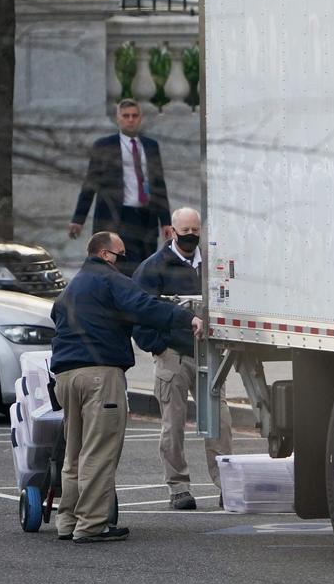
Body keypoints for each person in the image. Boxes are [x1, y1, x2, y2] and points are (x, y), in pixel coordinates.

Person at [50, 231, 203, 543]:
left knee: (74, 452)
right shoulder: (109, 279)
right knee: (99, 452)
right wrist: (184, 318)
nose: (121, 262)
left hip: (66, 377)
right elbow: (143, 305)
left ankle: (66, 521)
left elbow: (56, 314)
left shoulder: (74, 285)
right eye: (119, 255)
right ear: (106, 254)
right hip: (100, 376)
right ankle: (92, 525)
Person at [133, 206, 232, 510]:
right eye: (185, 231)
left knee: (221, 424)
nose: (190, 237)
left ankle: (227, 486)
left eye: (195, 231)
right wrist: (158, 347)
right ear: (172, 231)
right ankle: (178, 488)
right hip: (173, 356)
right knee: (173, 426)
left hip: (209, 356)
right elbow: (137, 312)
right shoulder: (153, 268)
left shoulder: (212, 264)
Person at [68, 99, 173, 276]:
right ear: (118, 119)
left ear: (140, 118)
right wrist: (78, 219)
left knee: (145, 267)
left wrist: (166, 221)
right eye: (126, 116)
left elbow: (159, 185)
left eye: (134, 116)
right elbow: (90, 183)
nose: (130, 120)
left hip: (146, 216)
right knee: (120, 267)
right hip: (117, 216)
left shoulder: (150, 146)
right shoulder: (104, 146)